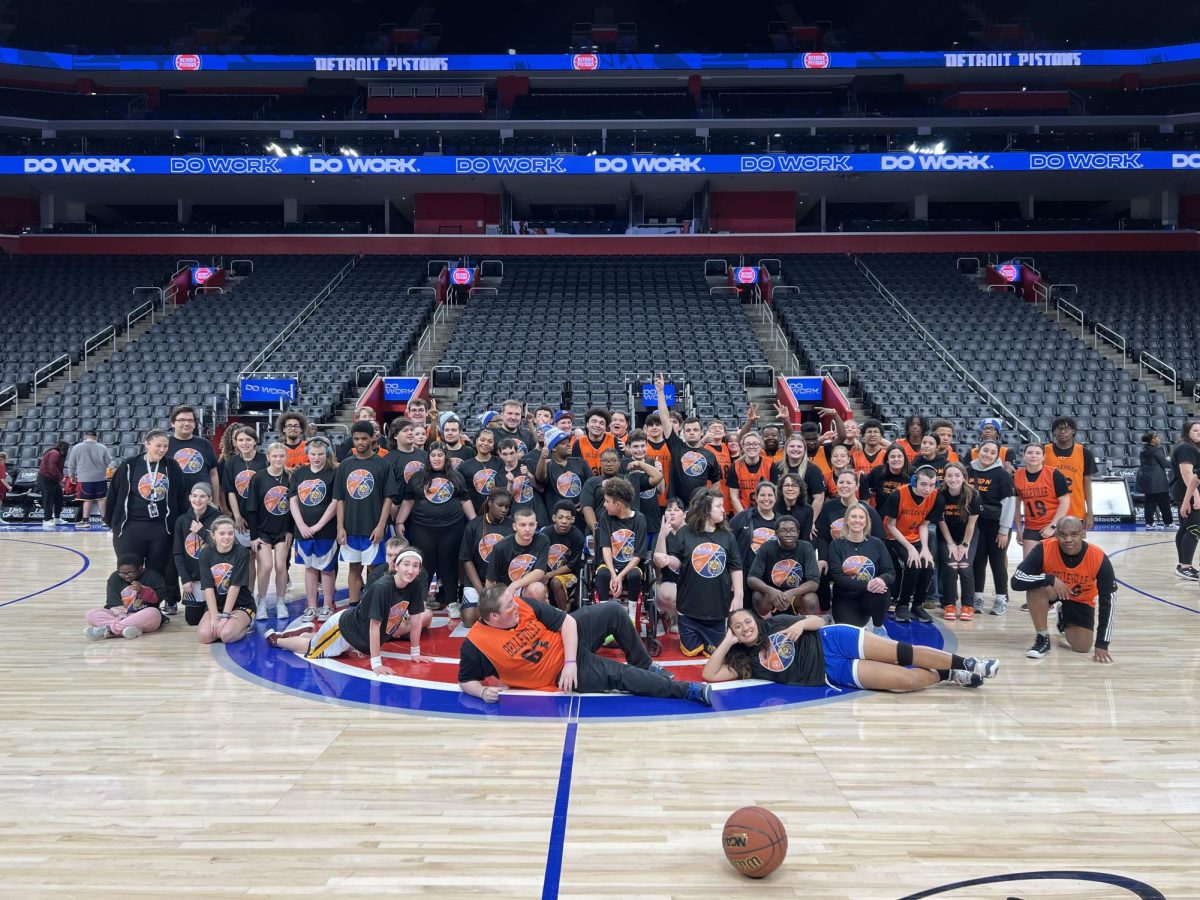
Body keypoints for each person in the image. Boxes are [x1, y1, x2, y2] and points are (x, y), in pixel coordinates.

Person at [457, 585, 711, 704]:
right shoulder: (476, 645)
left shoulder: (522, 604)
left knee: (612, 610)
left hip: (567, 649)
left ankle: (645, 665)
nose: (516, 607)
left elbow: (566, 621)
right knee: (620, 675)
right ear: (493, 617)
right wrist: (481, 692)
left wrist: (570, 661)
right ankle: (687, 690)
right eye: (509, 607)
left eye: (513, 602)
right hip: (557, 675)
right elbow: (465, 679)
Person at [703, 608, 999, 692]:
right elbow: (711, 674)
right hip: (832, 671)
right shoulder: (745, 662)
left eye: (746, 621)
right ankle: (948, 674)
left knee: (902, 652)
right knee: (904, 681)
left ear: (755, 619)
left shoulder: (775, 623)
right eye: (737, 627)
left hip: (833, 640)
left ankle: (970, 663)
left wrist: (801, 625)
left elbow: (819, 620)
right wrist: (727, 641)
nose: (745, 627)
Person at [270, 547, 435, 671]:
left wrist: (415, 653)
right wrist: (376, 663)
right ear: (396, 566)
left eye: (415, 566)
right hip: (344, 629)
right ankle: (277, 639)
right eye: (406, 564)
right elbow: (374, 626)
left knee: (323, 643)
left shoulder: (414, 585)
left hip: (359, 635)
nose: (410, 570)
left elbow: (415, 620)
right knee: (313, 649)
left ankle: (306, 632)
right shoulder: (383, 587)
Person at [105, 429, 189, 615]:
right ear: (147, 444)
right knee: (128, 568)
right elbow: (113, 495)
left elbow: (181, 495)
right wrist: (112, 521)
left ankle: (167, 600)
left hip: (161, 527)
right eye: (158, 445)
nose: (162, 449)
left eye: (165, 446)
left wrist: (183, 522)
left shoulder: (171, 466)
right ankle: (127, 602)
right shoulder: (129, 466)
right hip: (130, 526)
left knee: (162, 567)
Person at [1010, 516, 1116, 663]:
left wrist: (1103, 643)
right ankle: (1042, 638)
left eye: (1074, 534)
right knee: (1036, 586)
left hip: (1081, 599)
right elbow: (1016, 580)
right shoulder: (1044, 548)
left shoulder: (1098, 557)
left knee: (1082, 647)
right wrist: (1049, 579)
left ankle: (1063, 618)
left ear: (1083, 534)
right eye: (1063, 535)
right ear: (1056, 535)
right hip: (1052, 592)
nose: (1068, 539)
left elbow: (1109, 600)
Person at [661, 488, 744, 658]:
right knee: (690, 654)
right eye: (719, 506)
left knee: (715, 655)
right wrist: (668, 560)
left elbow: (736, 567)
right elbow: (677, 563)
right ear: (706, 510)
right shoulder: (685, 532)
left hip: (717, 612)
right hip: (688, 611)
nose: (723, 510)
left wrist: (739, 595)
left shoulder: (727, 536)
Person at [396, 441, 475, 613]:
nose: (437, 458)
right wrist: (399, 521)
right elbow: (409, 500)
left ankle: (452, 601)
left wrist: (474, 522)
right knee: (424, 566)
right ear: (428, 457)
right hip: (423, 529)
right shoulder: (418, 478)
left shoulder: (456, 476)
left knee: (450, 565)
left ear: (446, 457)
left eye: (440, 455)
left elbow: (464, 500)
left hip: (452, 529)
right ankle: (420, 602)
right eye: (433, 455)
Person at [335, 422, 396, 609]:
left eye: (364, 438)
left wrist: (381, 525)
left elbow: (388, 498)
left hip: (373, 527)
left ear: (373, 438)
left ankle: (374, 605)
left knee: (375, 570)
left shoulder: (383, 464)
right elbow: (340, 499)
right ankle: (354, 606)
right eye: (356, 439)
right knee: (354, 568)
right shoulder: (345, 465)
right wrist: (340, 527)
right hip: (351, 527)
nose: (360, 442)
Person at [880, 465, 943, 624]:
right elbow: (890, 526)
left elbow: (923, 525)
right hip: (893, 537)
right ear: (914, 481)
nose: (927, 489)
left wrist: (925, 548)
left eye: (931, 484)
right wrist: (910, 548)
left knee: (928, 564)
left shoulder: (937, 497)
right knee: (913, 564)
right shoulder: (898, 495)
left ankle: (917, 605)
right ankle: (902, 605)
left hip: (915, 537)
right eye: (923, 484)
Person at [288, 437, 339, 621]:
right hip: (303, 531)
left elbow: (335, 502)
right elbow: (292, 500)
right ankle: (311, 606)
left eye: (320, 454)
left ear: (327, 454)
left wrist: (319, 525)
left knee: (326, 569)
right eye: (313, 454)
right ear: (307, 454)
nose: (316, 458)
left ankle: (327, 604)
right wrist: (300, 524)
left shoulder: (334, 472)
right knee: (309, 568)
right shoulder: (299, 473)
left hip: (326, 530)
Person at [827, 501, 895, 635]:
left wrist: (881, 580)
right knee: (849, 635)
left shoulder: (877, 543)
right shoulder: (836, 545)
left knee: (882, 591)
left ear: (866, 521)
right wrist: (867, 585)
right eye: (853, 517)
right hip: (845, 598)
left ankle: (878, 627)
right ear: (846, 520)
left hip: (869, 597)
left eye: (861, 517)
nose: (857, 520)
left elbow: (890, 572)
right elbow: (836, 576)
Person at [967, 440, 1017, 615]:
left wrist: (1004, 530)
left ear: (997, 456)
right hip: (976, 524)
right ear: (978, 451)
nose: (987, 455)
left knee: (997, 563)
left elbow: (1010, 503)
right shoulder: (968, 471)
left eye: (992, 452)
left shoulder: (1002, 475)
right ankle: (977, 597)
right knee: (978, 562)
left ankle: (1001, 598)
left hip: (997, 526)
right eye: (985, 450)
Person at [244, 442, 292, 618]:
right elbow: (252, 509)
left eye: (281, 456)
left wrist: (290, 531)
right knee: (266, 566)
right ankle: (261, 601)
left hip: (283, 530)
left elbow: (294, 507)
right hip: (263, 531)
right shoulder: (258, 478)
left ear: (286, 457)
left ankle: (280, 602)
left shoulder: (290, 477)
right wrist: (254, 536)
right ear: (268, 457)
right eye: (275, 456)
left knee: (281, 566)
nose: (278, 459)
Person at [655, 373, 719, 503]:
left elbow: (716, 481)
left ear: (702, 432)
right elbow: (664, 418)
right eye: (688, 430)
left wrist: (710, 502)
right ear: (683, 432)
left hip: (699, 507)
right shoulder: (676, 446)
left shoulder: (710, 455)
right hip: (675, 506)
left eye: (695, 430)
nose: (691, 432)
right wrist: (661, 392)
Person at [219, 425, 265, 590]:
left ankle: (262, 594)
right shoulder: (231, 463)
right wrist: (236, 516)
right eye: (240, 440)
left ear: (255, 441)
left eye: (248, 439)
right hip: (242, 517)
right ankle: (250, 593)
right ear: (235, 443)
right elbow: (230, 491)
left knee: (262, 559)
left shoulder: (264, 460)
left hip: (262, 516)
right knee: (248, 557)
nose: (244, 443)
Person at [83, 554, 169, 641]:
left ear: (139, 569)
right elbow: (112, 600)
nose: (127, 576)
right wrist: (123, 616)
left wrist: (143, 590)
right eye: (122, 573)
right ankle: (133, 629)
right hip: (120, 615)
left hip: (142, 616)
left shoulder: (152, 576)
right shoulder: (114, 577)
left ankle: (108, 630)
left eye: (131, 573)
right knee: (90, 614)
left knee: (153, 613)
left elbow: (158, 598)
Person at [746, 515, 819, 617]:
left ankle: (808, 628)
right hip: (773, 596)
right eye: (783, 530)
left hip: (796, 596)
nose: (788, 534)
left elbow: (814, 582)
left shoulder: (806, 547)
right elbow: (751, 578)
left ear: (798, 533)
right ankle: (764, 624)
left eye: (793, 530)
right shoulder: (767, 547)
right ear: (776, 534)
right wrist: (771, 590)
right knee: (757, 595)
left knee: (810, 598)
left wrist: (791, 592)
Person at [196, 516, 254, 644]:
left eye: (230, 533)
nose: (226, 537)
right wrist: (215, 616)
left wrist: (225, 616)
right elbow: (208, 587)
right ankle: (230, 626)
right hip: (218, 605)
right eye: (222, 533)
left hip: (241, 605)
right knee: (204, 636)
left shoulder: (241, 552)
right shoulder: (206, 554)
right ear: (213, 535)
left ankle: (246, 625)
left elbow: (235, 587)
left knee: (226, 635)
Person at [460, 489, 513, 627]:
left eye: (507, 507)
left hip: (502, 582)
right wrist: (482, 591)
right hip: (477, 581)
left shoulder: (512, 526)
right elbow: (466, 560)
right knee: (469, 618)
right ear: (489, 503)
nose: (504, 509)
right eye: (500, 505)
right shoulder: (473, 525)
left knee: (509, 615)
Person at [937, 462, 982, 620]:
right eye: (949, 475)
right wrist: (950, 544)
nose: (953, 479)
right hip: (947, 534)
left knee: (964, 566)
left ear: (964, 477)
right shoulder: (939, 494)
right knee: (951, 565)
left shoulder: (973, 494)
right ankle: (949, 603)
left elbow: (972, 523)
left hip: (967, 535)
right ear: (944, 478)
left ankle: (967, 605)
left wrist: (964, 545)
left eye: (957, 475)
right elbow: (940, 521)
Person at [594, 477, 647, 606]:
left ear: (618, 505)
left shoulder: (639, 519)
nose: (604, 505)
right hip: (609, 565)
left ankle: (632, 614)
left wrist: (621, 575)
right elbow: (605, 547)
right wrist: (613, 574)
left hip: (631, 565)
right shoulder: (605, 517)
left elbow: (638, 555)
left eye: (607, 501)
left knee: (634, 576)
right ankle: (604, 611)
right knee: (602, 575)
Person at [173, 482, 220, 625]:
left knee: (214, 615)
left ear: (209, 499)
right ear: (189, 497)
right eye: (194, 496)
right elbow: (178, 553)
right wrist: (185, 579)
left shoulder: (218, 519)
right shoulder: (182, 520)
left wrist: (201, 532)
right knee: (192, 620)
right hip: (194, 580)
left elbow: (222, 547)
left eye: (202, 496)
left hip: (215, 580)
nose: (197, 500)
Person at [1014, 444, 1071, 556]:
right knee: (1029, 566)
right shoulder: (1016, 476)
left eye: (1037, 453)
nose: (1033, 456)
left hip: (1054, 525)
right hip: (1031, 526)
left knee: (1054, 565)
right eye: (1030, 453)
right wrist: (1019, 529)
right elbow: (1016, 505)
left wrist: (1053, 526)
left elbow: (1065, 501)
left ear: (1044, 457)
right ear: (1024, 456)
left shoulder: (1054, 474)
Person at [486, 507, 551, 603]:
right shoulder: (501, 547)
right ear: (514, 526)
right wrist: (493, 603)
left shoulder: (543, 540)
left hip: (525, 587)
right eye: (522, 525)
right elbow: (490, 580)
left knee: (538, 589)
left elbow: (539, 572)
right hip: (504, 590)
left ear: (536, 525)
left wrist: (515, 585)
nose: (527, 529)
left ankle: (538, 615)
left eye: (531, 524)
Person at [1043, 416, 1097, 529]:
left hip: (1076, 509)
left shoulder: (1084, 453)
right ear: (1053, 432)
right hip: (1049, 510)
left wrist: (1090, 512)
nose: (1062, 431)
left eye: (1066, 428)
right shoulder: (1044, 451)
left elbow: (1087, 484)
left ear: (1073, 431)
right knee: (1049, 545)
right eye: (1059, 429)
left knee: (1074, 545)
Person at [166, 405, 221, 505]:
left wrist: (216, 503)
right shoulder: (165, 445)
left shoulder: (205, 444)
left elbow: (213, 474)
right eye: (182, 420)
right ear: (173, 423)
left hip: (202, 502)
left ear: (195, 424)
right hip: (174, 501)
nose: (186, 423)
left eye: (190, 420)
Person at [729, 480, 781, 577]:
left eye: (770, 495)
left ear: (775, 498)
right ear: (756, 498)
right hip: (746, 574)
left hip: (772, 575)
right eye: (762, 495)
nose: (766, 498)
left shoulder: (781, 522)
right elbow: (728, 542)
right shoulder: (742, 517)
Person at [543, 499, 585, 611]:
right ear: (554, 518)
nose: (564, 521)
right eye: (560, 517)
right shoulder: (545, 535)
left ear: (573, 519)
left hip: (571, 575)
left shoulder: (578, 537)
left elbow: (571, 566)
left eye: (568, 518)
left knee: (556, 581)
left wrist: (548, 575)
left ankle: (563, 614)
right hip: (545, 572)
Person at [1170, 421, 1200, 579]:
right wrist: (1195, 495)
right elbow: (1187, 474)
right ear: (1187, 432)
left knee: (1185, 528)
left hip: (1184, 492)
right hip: (1186, 492)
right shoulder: (1186, 448)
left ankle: (1183, 565)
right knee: (1195, 529)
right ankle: (1186, 567)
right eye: (1195, 430)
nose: (1199, 433)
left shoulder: (1188, 446)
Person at [537, 426, 590, 513]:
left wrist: (585, 501)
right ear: (553, 448)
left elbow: (590, 485)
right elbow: (540, 477)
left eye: (568, 442)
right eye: (563, 443)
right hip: (557, 516)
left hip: (581, 513)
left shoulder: (580, 462)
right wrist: (542, 457)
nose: (569, 445)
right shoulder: (547, 465)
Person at [65, 430, 112, 527]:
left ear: (85, 436)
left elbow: (71, 463)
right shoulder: (102, 447)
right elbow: (110, 462)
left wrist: (72, 475)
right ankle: (105, 520)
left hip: (85, 478)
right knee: (101, 499)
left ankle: (85, 521)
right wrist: (109, 473)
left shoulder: (77, 447)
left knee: (87, 499)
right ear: (96, 437)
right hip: (100, 477)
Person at [728, 432, 774, 514]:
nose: (751, 447)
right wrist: (743, 516)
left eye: (755, 444)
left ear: (761, 447)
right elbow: (734, 496)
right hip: (743, 511)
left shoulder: (770, 465)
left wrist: (765, 514)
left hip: (765, 511)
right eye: (748, 444)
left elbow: (774, 494)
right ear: (743, 447)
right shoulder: (734, 466)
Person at [1137, 431, 1172, 530]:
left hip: (1146, 479)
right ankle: (1168, 524)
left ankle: (1150, 524)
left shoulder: (1143, 449)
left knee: (1149, 502)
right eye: (1157, 437)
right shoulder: (1156, 450)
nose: (1159, 439)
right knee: (1164, 501)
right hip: (1157, 480)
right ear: (1152, 440)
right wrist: (1171, 460)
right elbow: (1166, 464)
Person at [459, 427, 499, 514]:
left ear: (493, 445)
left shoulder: (501, 463)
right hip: (474, 514)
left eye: (490, 441)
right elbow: (463, 496)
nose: (485, 443)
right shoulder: (464, 466)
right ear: (475, 442)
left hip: (497, 513)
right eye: (482, 440)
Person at [573, 408, 617, 476]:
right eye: (594, 421)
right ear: (587, 424)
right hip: (587, 483)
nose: (597, 425)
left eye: (601, 423)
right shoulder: (578, 443)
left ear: (606, 427)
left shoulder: (614, 440)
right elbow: (577, 471)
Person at [36, 439, 69, 528]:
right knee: (48, 499)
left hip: (53, 479)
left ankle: (57, 517)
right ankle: (47, 519)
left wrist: (61, 476)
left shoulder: (57, 454)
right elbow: (52, 467)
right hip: (45, 478)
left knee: (59, 498)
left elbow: (58, 468)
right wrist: (61, 477)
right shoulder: (55, 453)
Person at [867, 445, 910, 511]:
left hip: (903, 516)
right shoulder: (877, 472)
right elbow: (863, 482)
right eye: (892, 457)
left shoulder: (912, 474)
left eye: (899, 456)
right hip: (881, 516)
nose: (896, 459)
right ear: (887, 460)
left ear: (904, 459)